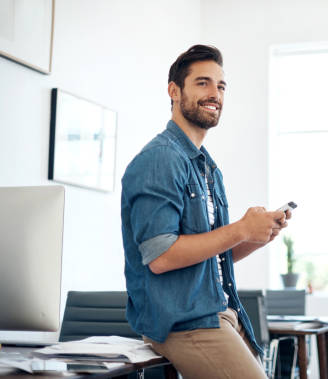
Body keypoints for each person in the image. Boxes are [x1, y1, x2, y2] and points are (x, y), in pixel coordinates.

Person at [121, 44, 290, 379]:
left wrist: (257, 237)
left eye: (221, 85)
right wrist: (241, 228)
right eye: (203, 83)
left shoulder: (205, 166)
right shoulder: (160, 159)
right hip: (183, 325)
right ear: (174, 91)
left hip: (218, 313)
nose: (215, 93)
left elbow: (207, 257)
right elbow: (162, 257)